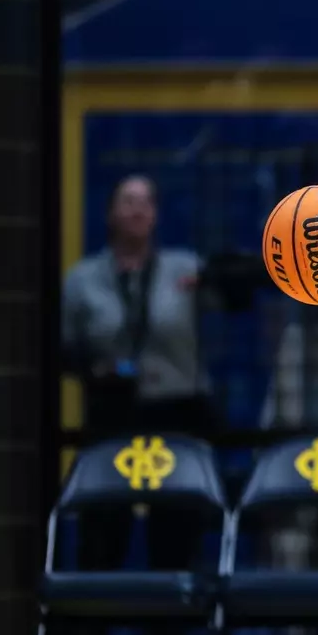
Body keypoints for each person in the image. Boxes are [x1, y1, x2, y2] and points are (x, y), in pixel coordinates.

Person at [61, 174, 215, 442]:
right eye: (129, 202)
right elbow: (62, 350)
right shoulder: (82, 280)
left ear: (156, 215)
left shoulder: (185, 269)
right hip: (110, 412)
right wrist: (94, 368)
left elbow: (234, 300)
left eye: (146, 203)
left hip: (179, 410)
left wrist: (217, 277)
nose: (138, 211)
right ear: (110, 214)